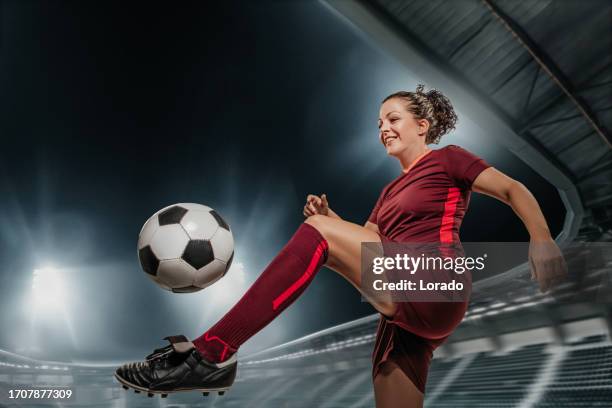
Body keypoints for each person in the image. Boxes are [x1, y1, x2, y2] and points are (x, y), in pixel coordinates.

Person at [115, 84, 567, 407]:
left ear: (423, 126)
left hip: (433, 279)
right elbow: (370, 243)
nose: (383, 128)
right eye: (378, 123)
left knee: (322, 238)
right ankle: (211, 354)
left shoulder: (450, 160)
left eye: (393, 119)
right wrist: (331, 222)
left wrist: (541, 239)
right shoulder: (390, 192)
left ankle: (210, 353)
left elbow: (513, 189)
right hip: (406, 311)